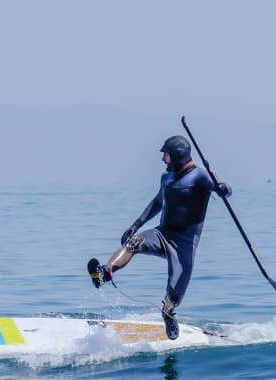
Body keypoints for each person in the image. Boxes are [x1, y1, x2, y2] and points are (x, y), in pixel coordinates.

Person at [87, 135, 232, 340]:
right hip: (162, 234)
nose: (163, 159)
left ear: (178, 156)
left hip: (184, 244)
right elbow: (157, 202)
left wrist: (223, 189)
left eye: (166, 155)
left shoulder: (200, 176)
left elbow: (224, 190)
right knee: (133, 243)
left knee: (174, 292)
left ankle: (168, 312)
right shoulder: (167, 177)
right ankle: (104, 273)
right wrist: (135, 225)